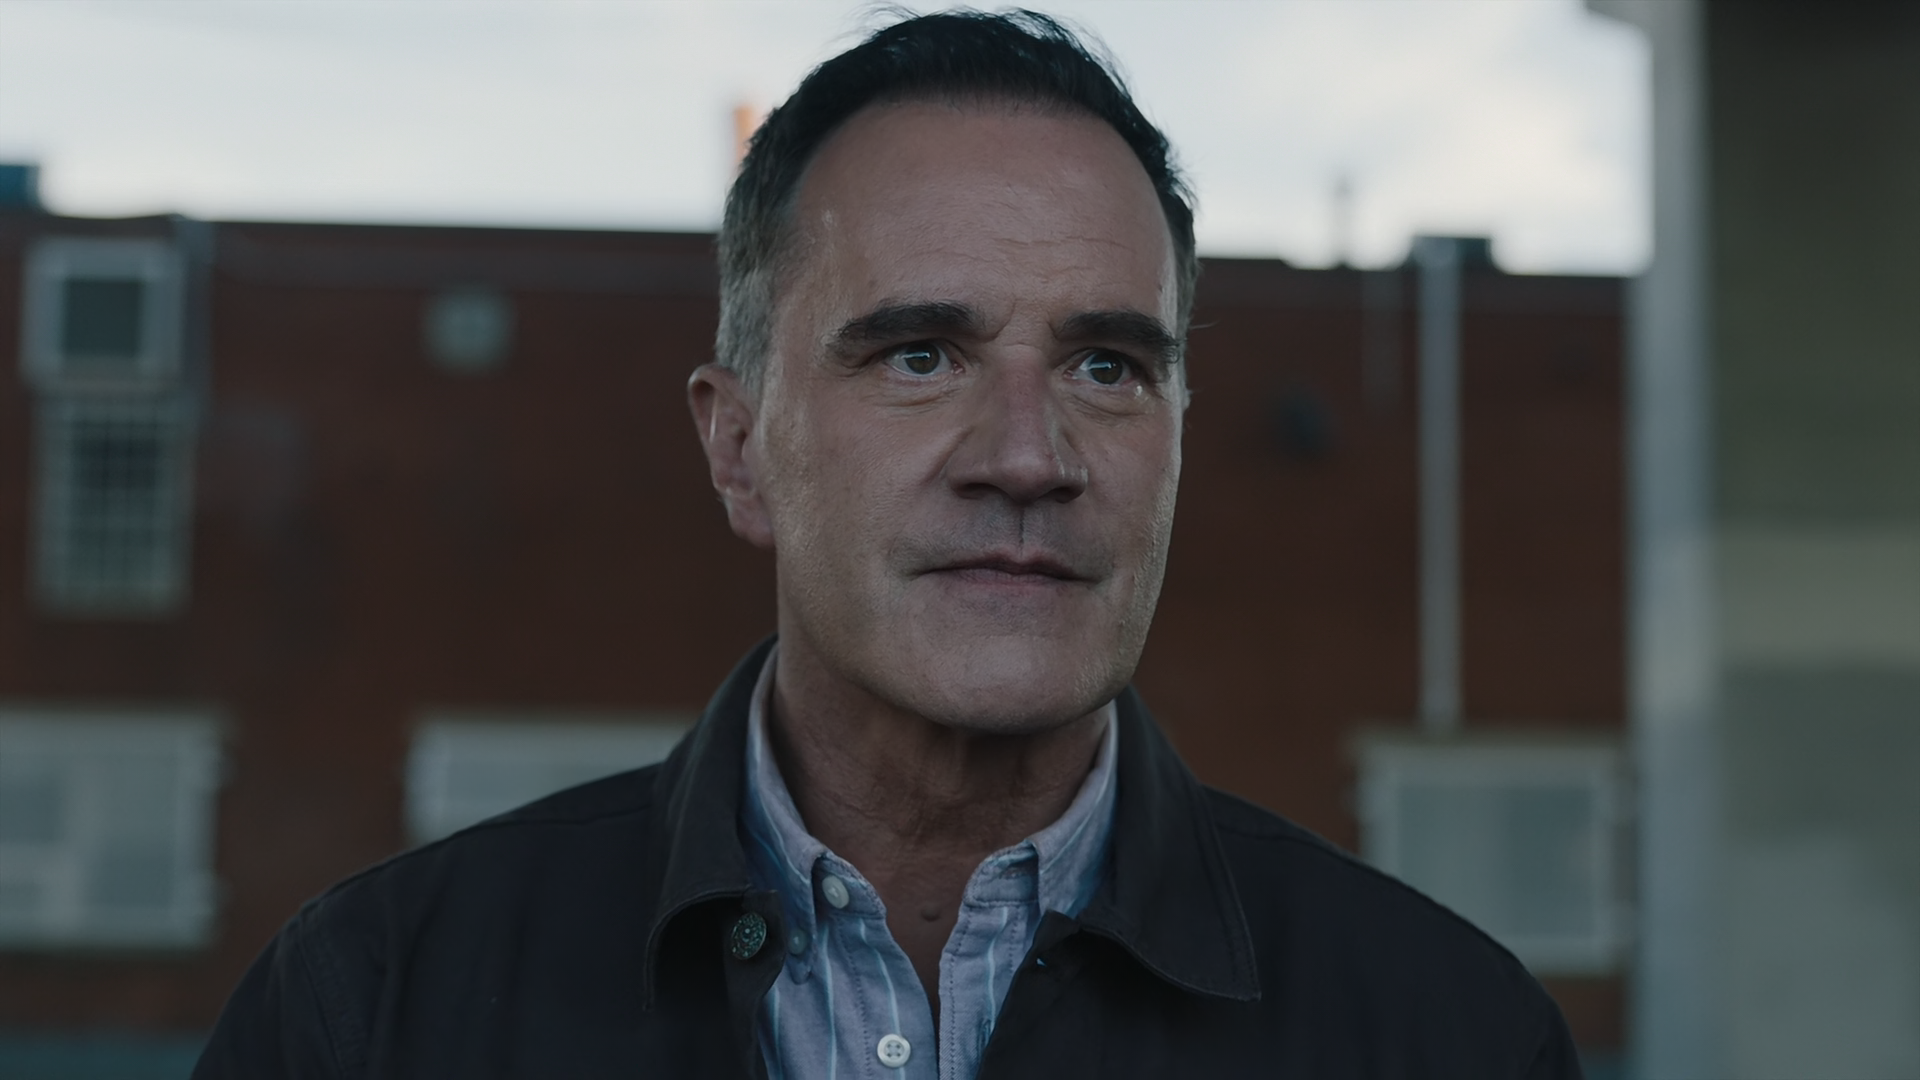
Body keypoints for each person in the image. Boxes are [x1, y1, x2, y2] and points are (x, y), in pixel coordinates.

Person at [195, 10, 1582, 1079]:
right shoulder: (372, 1015)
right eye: (919, 355)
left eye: (1106, 367)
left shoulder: (1447, 1038)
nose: (1028, 457)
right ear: (739, 448)